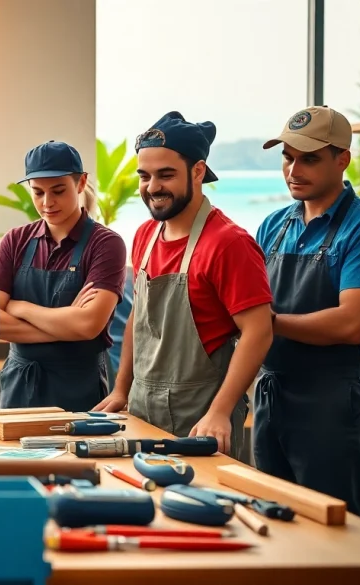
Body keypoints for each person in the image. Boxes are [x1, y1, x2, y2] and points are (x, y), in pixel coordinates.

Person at [94, 111, 274, 459]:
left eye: (166, 175)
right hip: (141, 410)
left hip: (201, 418)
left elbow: (258, 331)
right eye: (144, 176)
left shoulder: (228, 243)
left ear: (198, 171)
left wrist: (220, 411)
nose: (152, 187)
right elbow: (138, 318)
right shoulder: (145, 235)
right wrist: (121, 390)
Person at [254, 106, 360, 518]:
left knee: (335, 531)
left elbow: (352, 323)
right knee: (275, 528)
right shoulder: (273, 225)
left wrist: (268, 324)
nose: (294, 169)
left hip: (330, 406)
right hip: (271, 397)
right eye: (287, 157)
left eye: (309, 158)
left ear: (343, 159)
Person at [0, 141, 126, 410]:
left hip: (79, 386)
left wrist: (21, 307)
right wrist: (66, 326)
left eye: (58, 191)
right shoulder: (15, 241)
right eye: (38, 192)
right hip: (19, 385)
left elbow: (88, 325)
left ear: (80, 183)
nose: (47, 202)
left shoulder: (106, 244)